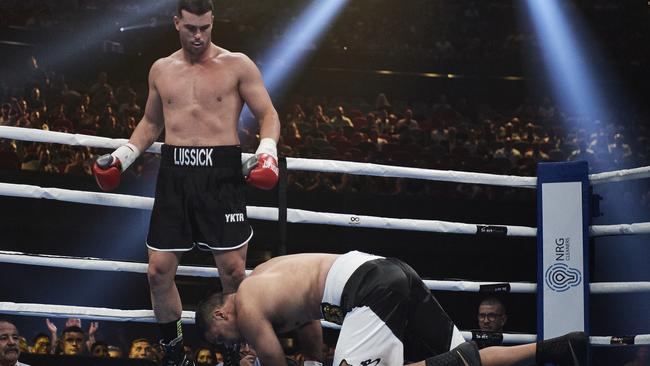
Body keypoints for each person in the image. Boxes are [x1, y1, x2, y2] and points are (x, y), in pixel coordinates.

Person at [91, 0, 281, 365]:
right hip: (175, 174)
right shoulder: (161, 69)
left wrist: (267, 152)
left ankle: (236, 350)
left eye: (205, 28)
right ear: (176, 22)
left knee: (234, 273)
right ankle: (175, 352)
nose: (198, 36)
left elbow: (268, 114)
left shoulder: (237, 64)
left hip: (220, 175)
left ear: (213, 23)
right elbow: (150, 124)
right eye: (191, 28)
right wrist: (122, 157)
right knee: (158, 272)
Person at [196, 251, 587, 366]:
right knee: (467, 363)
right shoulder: (266, 278)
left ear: (220, 315)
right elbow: (310, 322)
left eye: (221, 339)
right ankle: (557, 348)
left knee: (459, 361)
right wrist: (314, 362)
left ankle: (458, 359)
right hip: (391, 272)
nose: (231, 344)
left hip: (367, 290)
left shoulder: (246, 307)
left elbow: (274, 362)